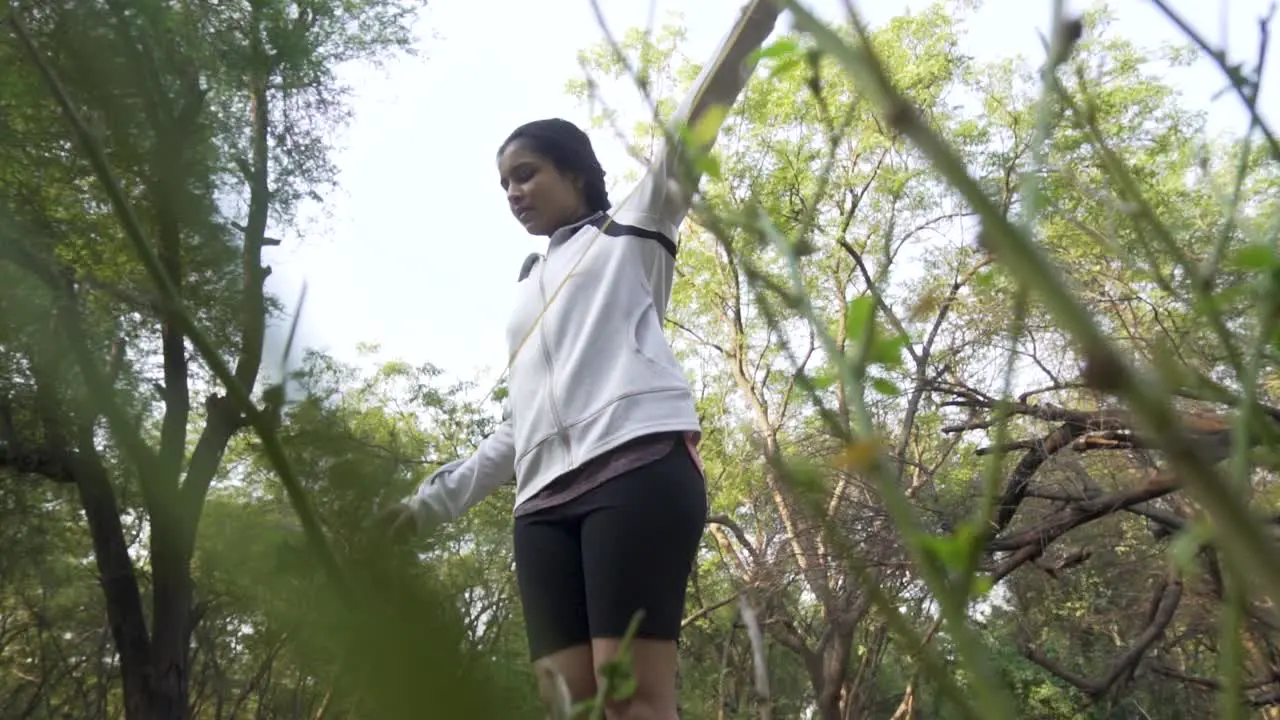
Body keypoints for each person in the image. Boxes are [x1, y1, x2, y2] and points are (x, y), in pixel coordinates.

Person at [378, 2, 781, 717]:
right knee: (573, 708)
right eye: (504, 183)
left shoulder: (636, 225)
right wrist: (423, 508)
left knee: (631, 700)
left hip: (634, 470)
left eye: (526, 174)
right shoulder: (525, 294)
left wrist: (759, 15)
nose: (513, 193)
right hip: (540, 507)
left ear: (576, 173)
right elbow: (517, 426)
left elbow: (703, 110)